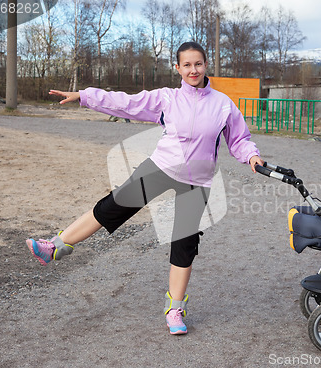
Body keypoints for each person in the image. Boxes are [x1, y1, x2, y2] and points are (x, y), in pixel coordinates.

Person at [26, 41, 264, 335]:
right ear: (177, 68)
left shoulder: (223, 104)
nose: (193, 70)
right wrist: (85, 96)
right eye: (187, 65)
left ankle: (175, 308)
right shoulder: (168, 99)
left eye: (198, 64)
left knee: (184, 243)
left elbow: (239, 139)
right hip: (161, 167)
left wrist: (251, 156)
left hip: (198, 181)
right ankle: (56, 246)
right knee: (113, 205)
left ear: (206, 66)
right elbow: (126, 103)